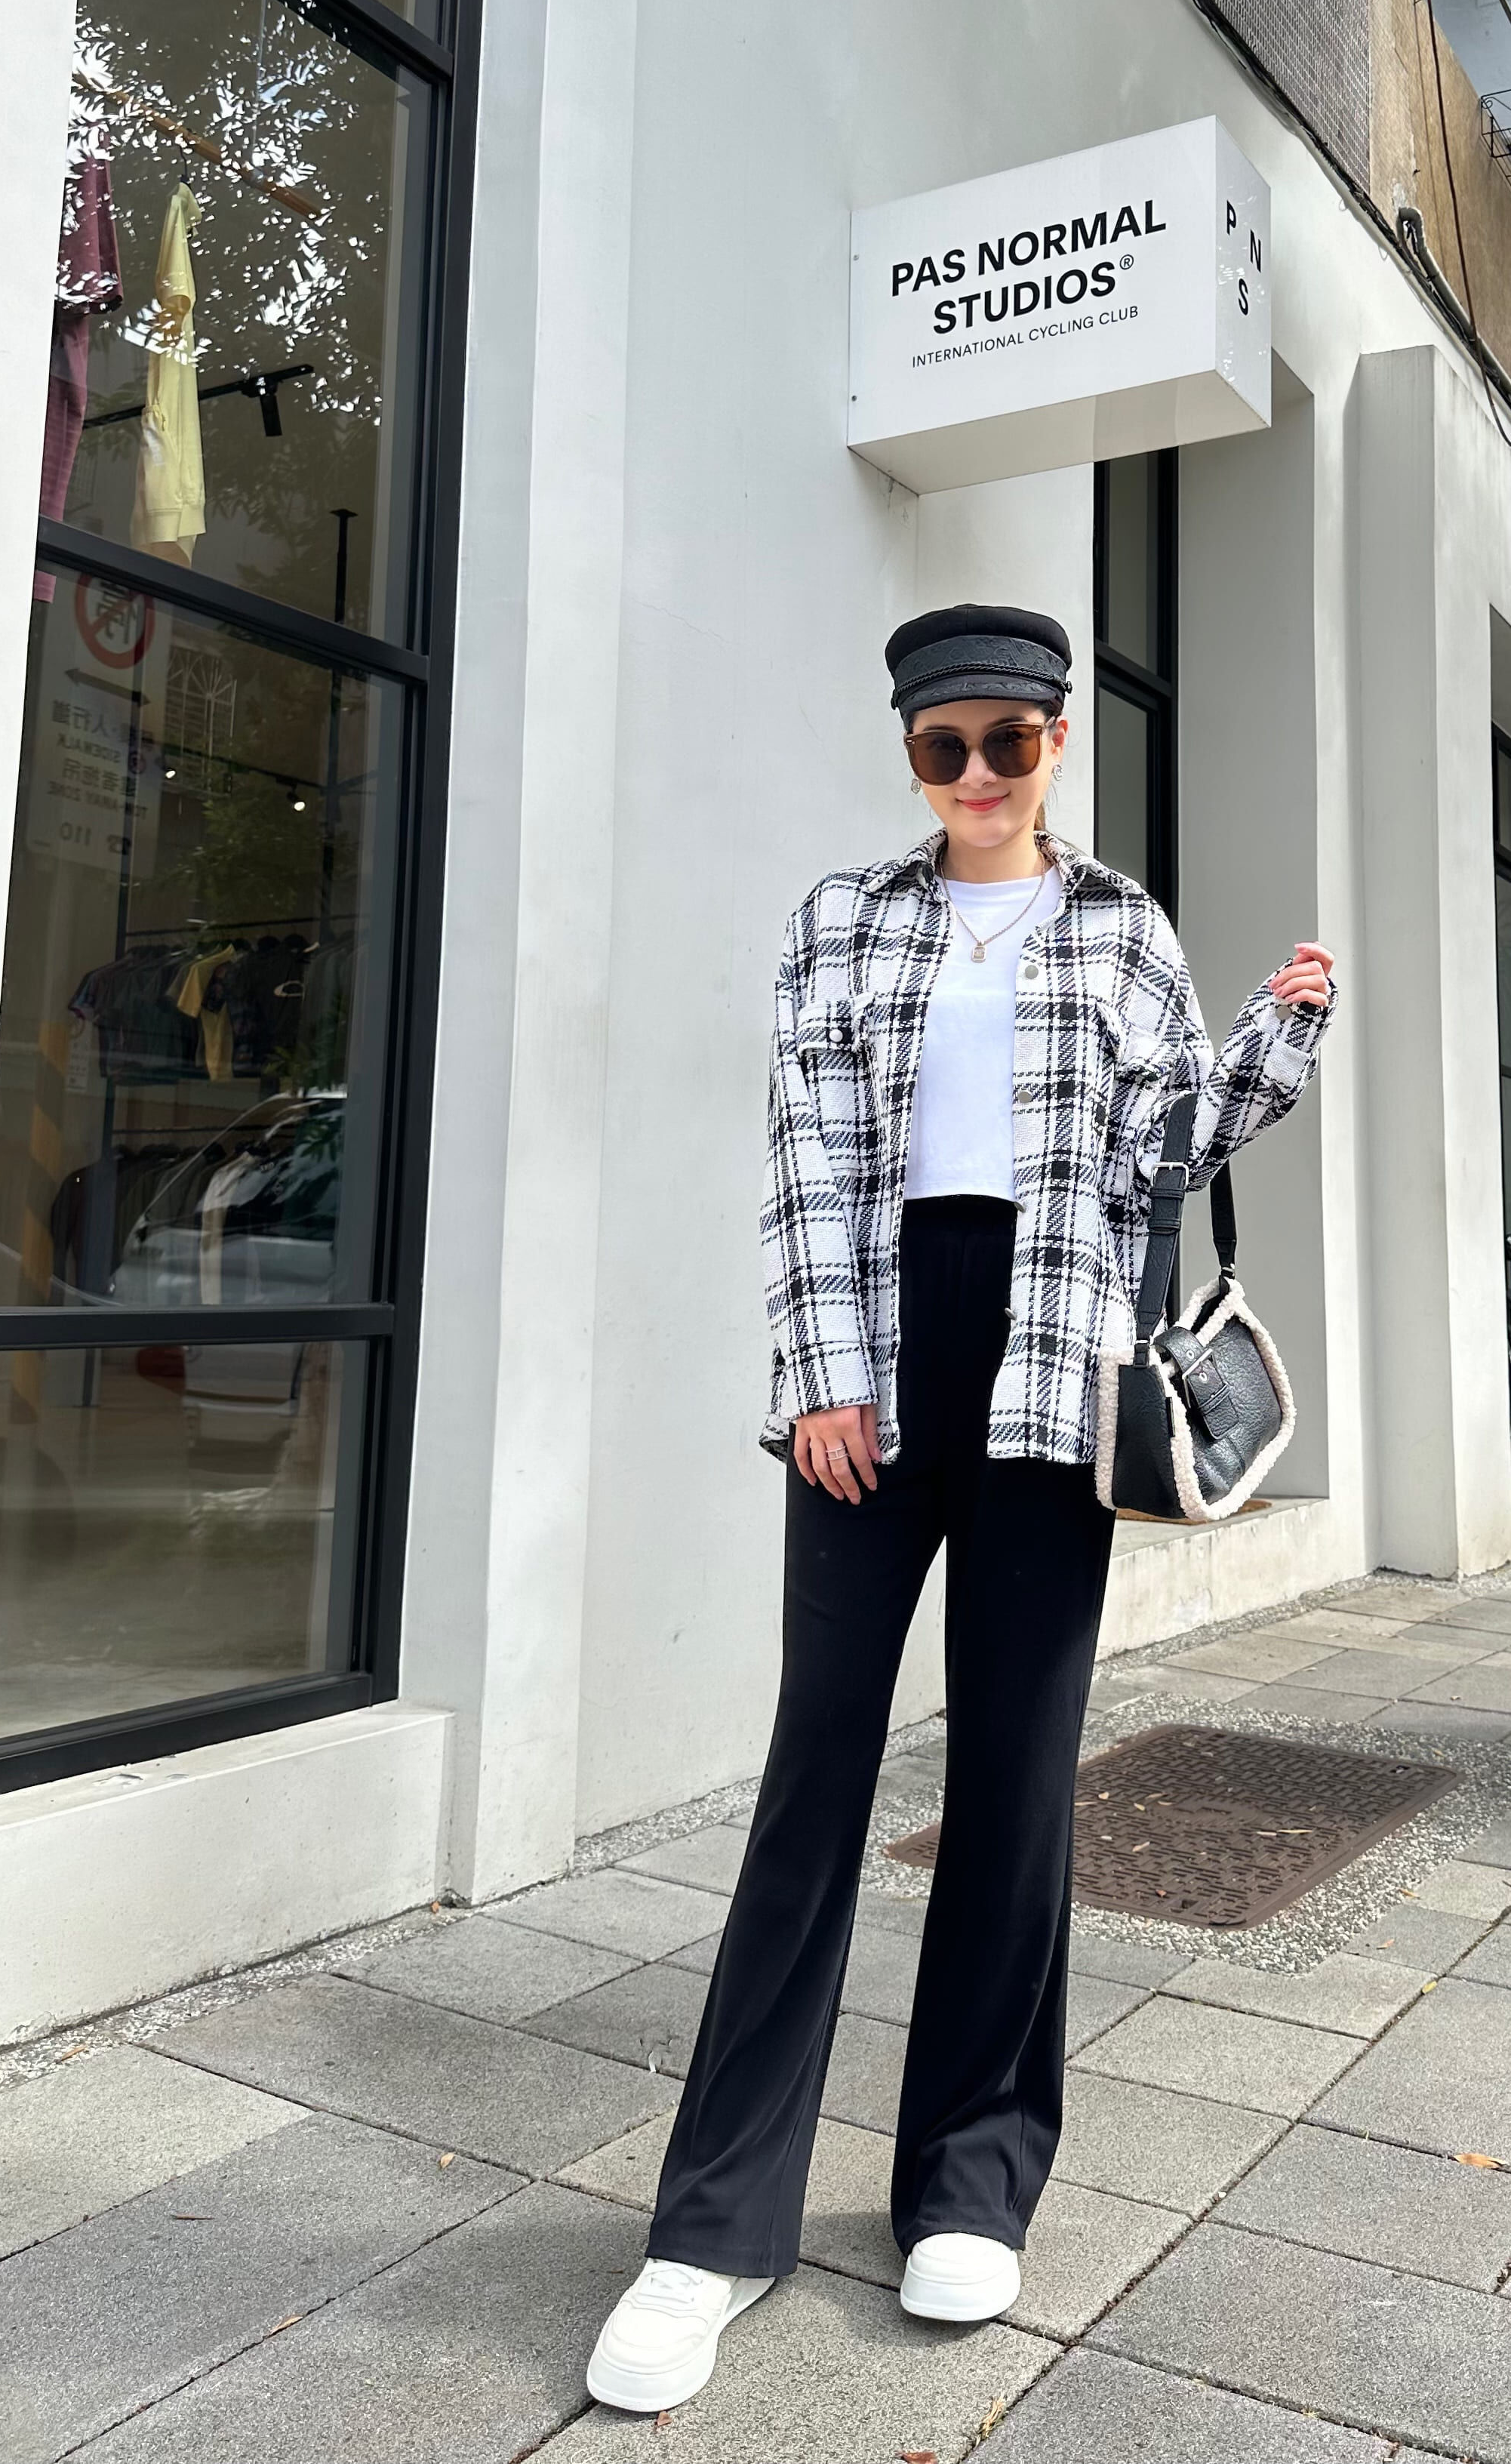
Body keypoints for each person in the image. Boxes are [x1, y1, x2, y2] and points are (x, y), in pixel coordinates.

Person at [586, 602, 1332, 2413]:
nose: (980, 772)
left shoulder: (1122, 924)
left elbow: (1159, 1150)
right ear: (911, 754)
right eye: (946, 745)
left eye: (1009, 739)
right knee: (814, 1774)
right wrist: (822, 1378)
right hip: (876, 1350)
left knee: (1015, 1776)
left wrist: (1275, 1041)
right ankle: (712, 2226)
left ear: (1058, 740)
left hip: (1051, 1363)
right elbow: (807, 1155)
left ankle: (971, 2180)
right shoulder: (842, 917)